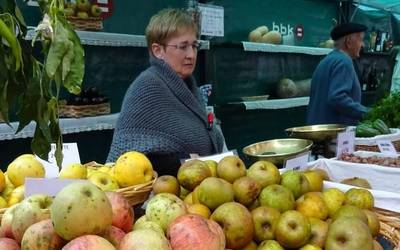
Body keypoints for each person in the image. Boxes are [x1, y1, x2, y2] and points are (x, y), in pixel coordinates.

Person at [107, 8, 225, 175]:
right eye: (183, 46)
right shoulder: (146, 88)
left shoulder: (189, 86)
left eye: (194, 45)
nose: (191, 54)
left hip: (200, 186)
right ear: (158, 51)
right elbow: (124, 160)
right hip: (162, 193)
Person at [306, 22, 368, 126]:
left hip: (318, 131)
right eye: (361, 40)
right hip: (334, 135)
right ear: (348, 42)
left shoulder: (327, 60)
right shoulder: (344, 61)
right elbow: (337, 98)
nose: (363, 45)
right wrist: (366, 113)